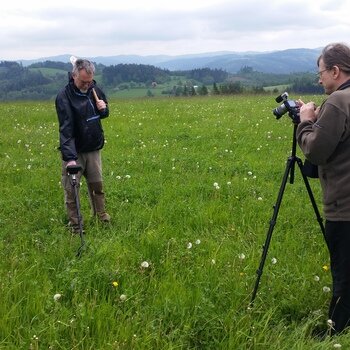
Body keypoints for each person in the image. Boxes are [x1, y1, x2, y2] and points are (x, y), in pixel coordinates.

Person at [297, 42, 350, 335]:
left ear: (335, 70)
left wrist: (305, 123)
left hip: (344, 206)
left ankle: (336, 331)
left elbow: (316, 152)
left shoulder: (338, 102)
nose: (319, 79)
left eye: (321, 73)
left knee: (343, 271)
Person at [55, 58, 111, 233]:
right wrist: (70, 158)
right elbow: (66, 129)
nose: (88, 85)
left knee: (97, 186)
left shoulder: (94, 89)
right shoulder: (64, 97)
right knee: (72, 190)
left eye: (90, 81)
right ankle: (76, 225)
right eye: (83, 82)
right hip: (75, 151)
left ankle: (101, 217)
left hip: (93, 147)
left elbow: (103, 113)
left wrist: (104, 108)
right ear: (74, 76)